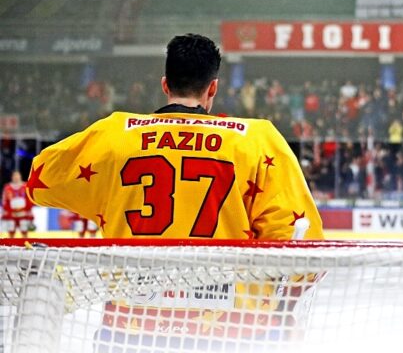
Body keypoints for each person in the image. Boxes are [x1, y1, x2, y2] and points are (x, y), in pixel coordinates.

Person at [26, 34, 324, 348]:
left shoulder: (112, 136)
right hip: (229, 336)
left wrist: (108, 192)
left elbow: (39, 179)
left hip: (130, 335)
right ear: (213, 88)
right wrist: (276, 306)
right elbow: (303, 248)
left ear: (165, 85)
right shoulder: (257, 140)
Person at [2, 170, 34, 238]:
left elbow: (29, 199)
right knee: (11, 231)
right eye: (14, 176)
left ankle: (25, 244)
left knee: (24, 230)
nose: (16, 177)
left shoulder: (25, 186)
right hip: (12, 214)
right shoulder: (7, 187)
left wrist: (27, 211)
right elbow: (5, 201)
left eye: (17, 175)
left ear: (20, 176)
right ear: (12, 177)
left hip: (23, 213)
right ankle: (10, 245)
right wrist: (9, 212)